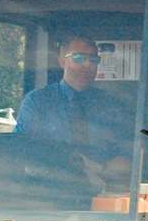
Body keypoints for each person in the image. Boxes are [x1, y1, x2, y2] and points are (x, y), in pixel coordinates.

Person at [16, 34, 135, 177]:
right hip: (48, 191)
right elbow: (22, 151)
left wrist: (101, 169)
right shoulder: (37, 102)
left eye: (93, 60)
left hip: (103, 189)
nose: (87, 65)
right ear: (61, 61)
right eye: (78, 58)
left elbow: (129, 156)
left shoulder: (111, 106)